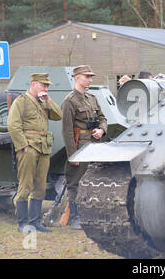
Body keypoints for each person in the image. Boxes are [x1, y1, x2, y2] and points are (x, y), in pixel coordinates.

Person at [7, 73, 63, 233]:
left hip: (44, 147)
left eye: (47, 86)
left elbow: (58, 116)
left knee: (40, 186)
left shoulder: (43, 102)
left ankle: (35, 222)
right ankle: (23, 224)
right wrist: (23, 145)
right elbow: (13, 125)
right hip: (28, 147)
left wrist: (48, 101)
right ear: (33, 84)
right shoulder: (21, 101)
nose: (45, 88)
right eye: (43, 85)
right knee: (25, 185)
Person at [61, 65, 108, 230]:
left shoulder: (92, 97)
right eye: (87, 76)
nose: (90, 79)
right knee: (75, 183)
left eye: (91, 76)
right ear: (77, 77)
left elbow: (102, 118)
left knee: (95, 181)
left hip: (95, 145)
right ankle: (75, 218)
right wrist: (72, 155)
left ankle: (92, 215)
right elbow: (66, 131)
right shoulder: (69, 101)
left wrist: (101, 129)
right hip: (80, 147)